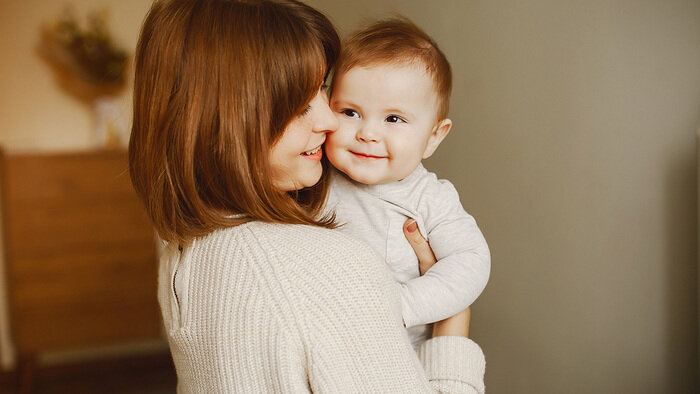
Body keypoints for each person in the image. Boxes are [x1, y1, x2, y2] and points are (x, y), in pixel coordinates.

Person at [128, 0, 485, 392]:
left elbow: (469, 260)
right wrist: (454, 327)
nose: (330, 121)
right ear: (232, 120)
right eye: (303, 106)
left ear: (436, 134)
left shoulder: (183, 243)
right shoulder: (325, 266)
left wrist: (422, 299)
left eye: (321, 91)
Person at [325, 18, 491, 348]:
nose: (367, 133)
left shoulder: (430, 198)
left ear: (433, 137)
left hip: (395, 355)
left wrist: (403, 305)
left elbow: (471, 262)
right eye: (350, 112)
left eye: (393, 119)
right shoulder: (313, 175)